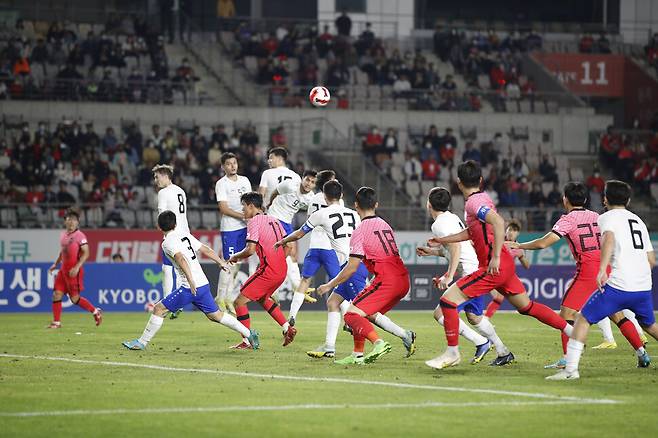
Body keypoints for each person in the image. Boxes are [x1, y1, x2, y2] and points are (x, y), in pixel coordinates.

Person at [425, 161, 571, 370]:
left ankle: (452, 352)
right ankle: (571, 332)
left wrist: (494, 257)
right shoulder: (482, 198)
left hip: (493, 267)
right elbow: (472, 232)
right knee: (527, 307)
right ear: (481, 180)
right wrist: (443, 241)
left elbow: (499, 222)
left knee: (447, 302)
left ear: (458, 183)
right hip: (505, 266)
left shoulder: (473, 203)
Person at [509, 182, 646, 369]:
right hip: (606, 269)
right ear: (586, 199)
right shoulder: (597, 216)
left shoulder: (568, 219)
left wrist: (520, 245)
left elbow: (543, 243)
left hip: (588, 272)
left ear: (565, 199)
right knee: (617, 314)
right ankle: (642, 353)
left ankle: (568, 358)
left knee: (566, 313)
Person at [277, 181, 415, 359]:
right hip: (359, 265)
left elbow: (300, 233)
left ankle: (393, 338)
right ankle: (329, 346)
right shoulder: (355, 215)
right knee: (333, 303)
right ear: (342, 196)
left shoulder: (320, 214)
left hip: (351, 267)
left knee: (362, 313)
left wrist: (283, 241)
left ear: (325, 196)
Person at [547, 180, 658, 380]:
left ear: (605, 199)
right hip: (642, 286)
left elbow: (607, 240)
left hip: (616, 283)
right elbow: (651, 260)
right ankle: (642, 353)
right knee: (645, 324)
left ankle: (570, 368)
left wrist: (601, 270)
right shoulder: (638, 220)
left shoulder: (606, 218)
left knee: (578, 318)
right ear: (629, 199)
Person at [122, 211, 259, 350]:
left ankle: (141, 342)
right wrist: (220, 262)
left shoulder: (167, 243)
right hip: (203, 284)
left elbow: (181, 259)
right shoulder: (183, 234)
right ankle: (249, 334)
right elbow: (204, 248)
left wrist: (191, 281)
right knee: (216, 315)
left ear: (158, 227)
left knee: (158, 309)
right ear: (175, 224)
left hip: (189, 287)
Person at [316, 187, 412, 365]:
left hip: (387, 281)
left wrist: (329, 285)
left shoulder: (359, 232)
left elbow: (352, 267)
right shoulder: (385, 224)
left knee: (351, 315)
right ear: (376, 204)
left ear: (356, 205)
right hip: (403, 279)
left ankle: (379, 343)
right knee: (361, 313)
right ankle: (357, 354)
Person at [417, 187, 512, 367]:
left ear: (428, 203)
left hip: (469, 272)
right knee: (474, 317)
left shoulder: (438, 225)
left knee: (441, 312)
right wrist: (432, 252)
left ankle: (481, 343)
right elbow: (455, 248)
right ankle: (502, 350)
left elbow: (456, 248)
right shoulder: (452, 217)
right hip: (473, 267)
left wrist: (448, 276)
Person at [227, 192, 296, 348]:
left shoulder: (254, 221)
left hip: (269, 271)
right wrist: (277, 260)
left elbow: (250, 249)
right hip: (281, 270)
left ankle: (247, 340)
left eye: (244, 207)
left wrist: (235, 257)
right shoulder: (274, 220)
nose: (243, 211)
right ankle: (287, 328)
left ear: (251, 206)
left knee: (239, 302)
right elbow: (289, 246)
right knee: (263, 299)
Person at [286, 170, 340, 320]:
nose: (336, 183)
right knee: (339, 283)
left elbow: (310, 221)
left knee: (304, 281)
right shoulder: (337, 201)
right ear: (328, 183)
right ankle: (348, 319)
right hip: (330, 248)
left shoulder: (313, 199)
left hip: (314, 247)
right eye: (333, 180)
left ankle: (292, 316)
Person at [267, 169, 317, 307]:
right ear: (302, 178)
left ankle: (295, 285)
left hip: (287, 223)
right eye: (307, 179)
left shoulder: (311, 198)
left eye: (312, 182)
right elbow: (275, 192)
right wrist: (270, 204)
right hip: (274, 217)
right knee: (289, 248)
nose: (309, 183)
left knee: (292, 255)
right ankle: (291, 285)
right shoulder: (289, 185)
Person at [47, 208, 102, 328]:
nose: (71, 222)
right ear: (65, 221)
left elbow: (86, 253)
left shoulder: (80, 236)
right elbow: (63, 252)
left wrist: (77, 267)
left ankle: (95, 312)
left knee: (75, 299)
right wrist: (55, 264)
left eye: (74, 220)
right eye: (69, 219)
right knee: (57, 294)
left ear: (78, 222)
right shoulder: (63, 235)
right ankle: (56, 322)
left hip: (74, 272)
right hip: (63, 271)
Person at [214, 152, 253, 315]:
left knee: (237, 265)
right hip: (230, 228)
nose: (233, 166)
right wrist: (243, 216)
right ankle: (219, 297)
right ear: (223, 166)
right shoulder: (221, 184)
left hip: (245, 227)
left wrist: (251, 217)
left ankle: (229, 298)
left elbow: (251, 202)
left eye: (234, 163)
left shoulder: (245, 180)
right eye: (229, 164)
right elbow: (223, 209)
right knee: (229, 264)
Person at [153, 164, 189, 319]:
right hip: (185, 234)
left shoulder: (163, 193)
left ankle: (169, 303)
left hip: (172, 235)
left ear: (164, 175)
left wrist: (161, 229)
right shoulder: (180, 190)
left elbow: (162, 215)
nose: (155, 180)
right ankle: (178, 302)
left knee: (167, 269)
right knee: (180, 270)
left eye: (157, 177)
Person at [484, 220, 530, 318]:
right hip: (489, 271)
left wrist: (522, 256)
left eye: (514, 231)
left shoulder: (518, 247)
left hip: (502, 275)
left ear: (518, 233)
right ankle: (483, 320)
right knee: (495, 297)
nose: (511, 233)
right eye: (509, 230)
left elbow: (527, 266)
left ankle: (485, 319)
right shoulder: (498, 241)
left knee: (499, 298)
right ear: (506, 231)